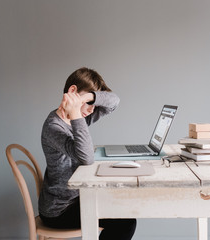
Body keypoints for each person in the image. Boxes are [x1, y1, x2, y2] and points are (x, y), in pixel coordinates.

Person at [38, 67, 137, 239]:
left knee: (125, 210)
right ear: (72, 91)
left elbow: (114, 101)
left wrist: (89, 98)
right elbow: (86, 158)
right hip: (60, 210)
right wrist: (76, 113)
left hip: (76, 198)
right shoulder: (54, 127)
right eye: (89, 104)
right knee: (125, 222)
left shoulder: (77, 119)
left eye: (93, 103)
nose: (92, 110)